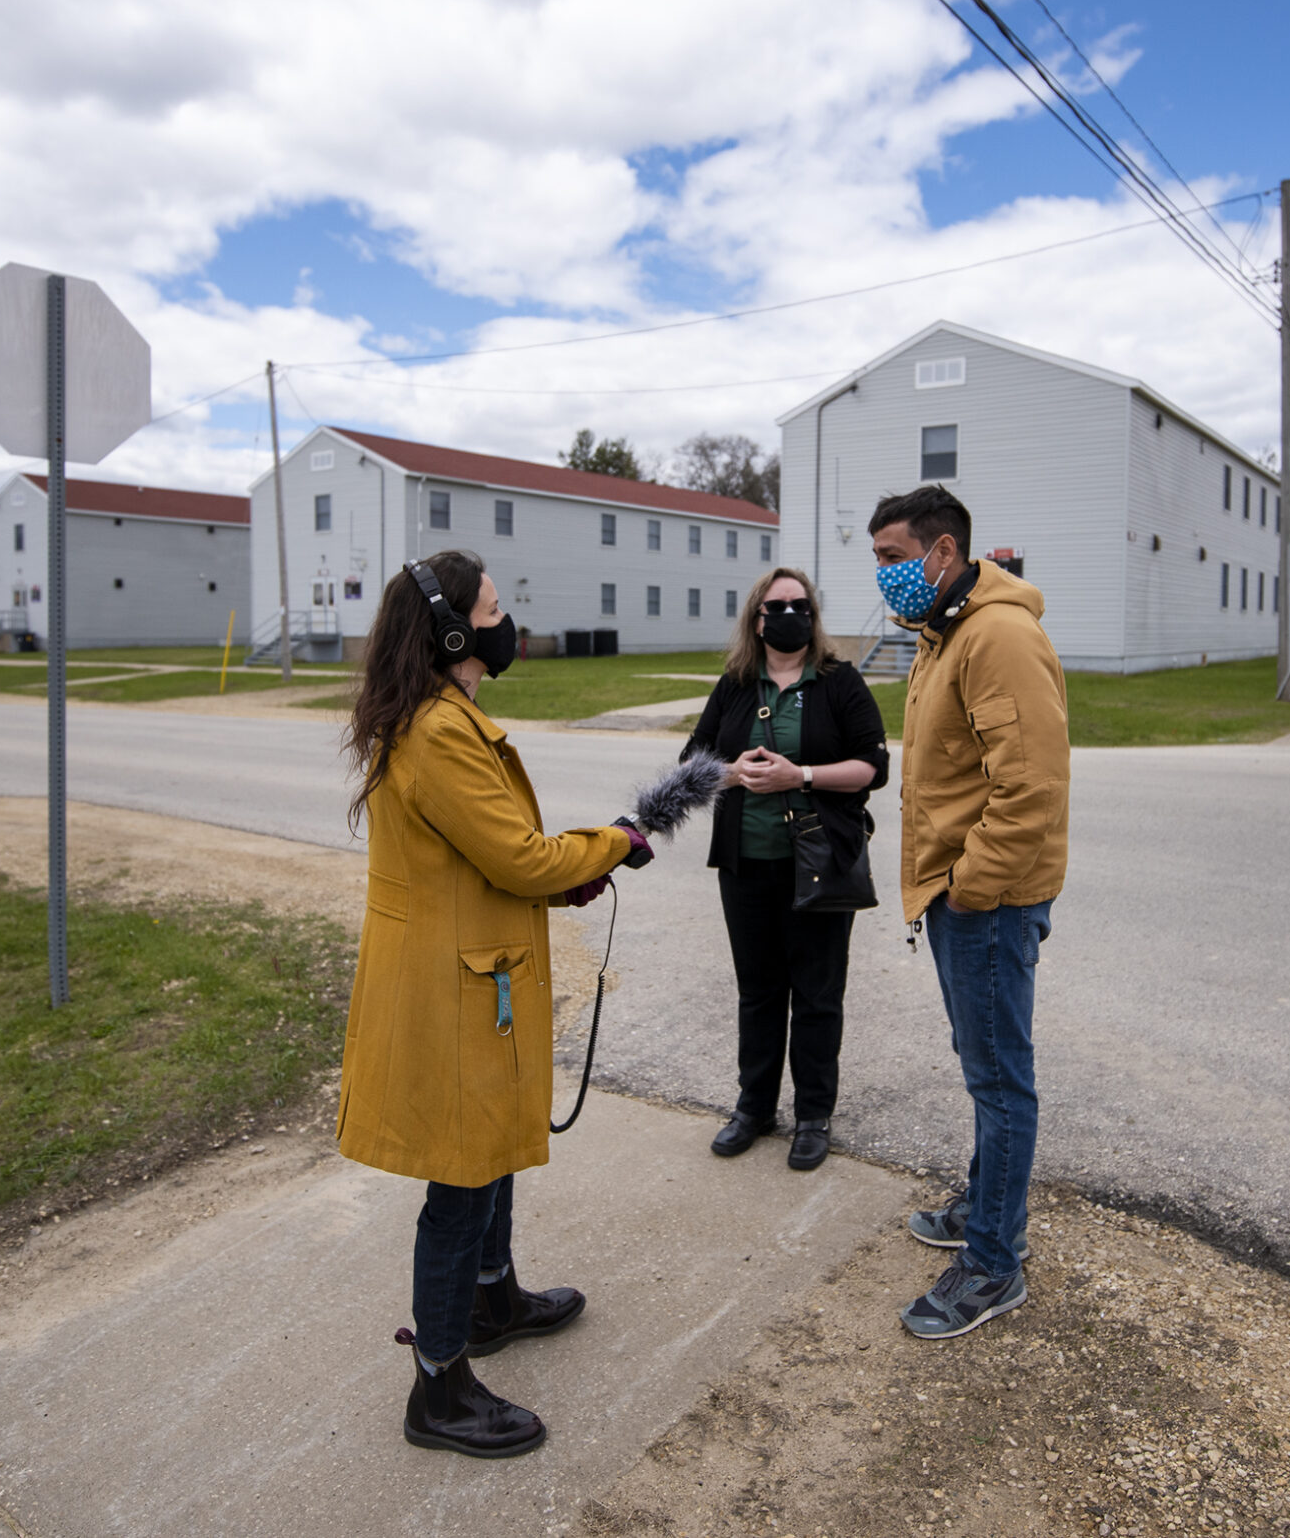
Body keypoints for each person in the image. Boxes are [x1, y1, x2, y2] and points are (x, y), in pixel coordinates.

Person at [335, 549, 652, 1458]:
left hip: (478, 970)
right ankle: (438, 1384)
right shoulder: (437, 731)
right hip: (451, 986)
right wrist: (614, 843)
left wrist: (567, 879)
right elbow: (517, 856)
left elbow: (487, 855)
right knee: (461, 1180)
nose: (505, 622)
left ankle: (493, 1296)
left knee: (490, 1150)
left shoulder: (448, 714)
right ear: (450, 630)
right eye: (492, 608)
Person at [869, 484, 1070, 1341]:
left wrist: (971, 887)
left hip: (986, 897)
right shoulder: (944, 629)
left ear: (942, 551)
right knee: (984, 1063)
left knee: (998, 1078)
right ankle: (985, 1210)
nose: (882, 575)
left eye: (891, 557)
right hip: (961, 893)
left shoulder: (997, 636)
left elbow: (1029, 787)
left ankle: (993, 1262)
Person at [681, 567, 889, 1170]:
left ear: (813, 616)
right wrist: (735, 771)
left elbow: (873, 767)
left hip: (820, 864)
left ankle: (813, 1117)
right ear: (757, 618)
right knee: (759, 991)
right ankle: (754, 1108)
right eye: (777, 606)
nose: (789, 613)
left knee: (818, 996)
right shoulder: (737, 684)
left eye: (800, 604)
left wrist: (799, 775)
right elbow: (692, 761)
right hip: (746, 866)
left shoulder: (839, 682)